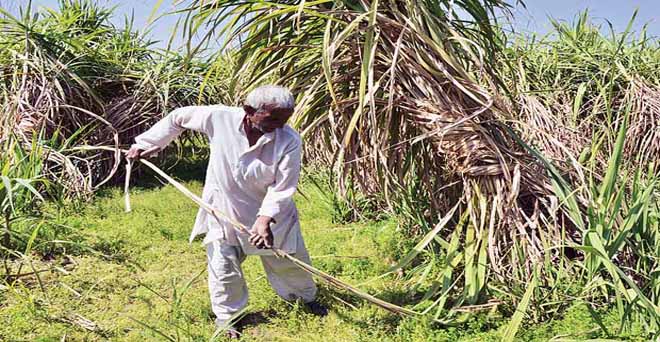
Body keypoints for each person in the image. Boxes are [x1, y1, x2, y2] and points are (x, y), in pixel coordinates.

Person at [127, 85, 327, 339]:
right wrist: (146, 144)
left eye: (285, 118)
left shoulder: (289, 140)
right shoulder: (218, 117)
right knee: (223, 266)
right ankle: (228, 317)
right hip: (223, 209)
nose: (280, 125)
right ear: (249, 111)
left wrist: (264, 219)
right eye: (273, 118)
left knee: (287, 260)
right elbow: (177, 117)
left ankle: (304, 299)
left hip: (271, 214)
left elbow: (283, 187)